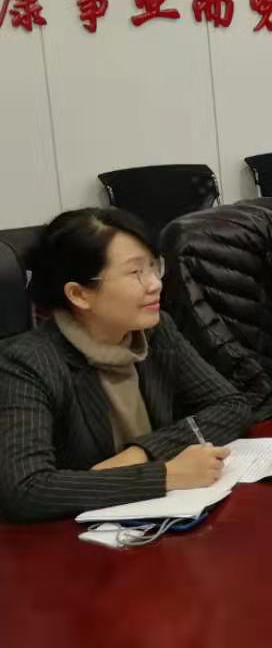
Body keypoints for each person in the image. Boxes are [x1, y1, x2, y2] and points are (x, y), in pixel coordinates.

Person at [0, 209, 249, 522]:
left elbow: (232, 406)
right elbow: (25, 490)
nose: (155, 284)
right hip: (72, 538)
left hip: (157, 520)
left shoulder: (155, 331)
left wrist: (142, 453)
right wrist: (165, 475)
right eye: (135, 273)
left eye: (154, 266)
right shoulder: (27, 363)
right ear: (79, 294)